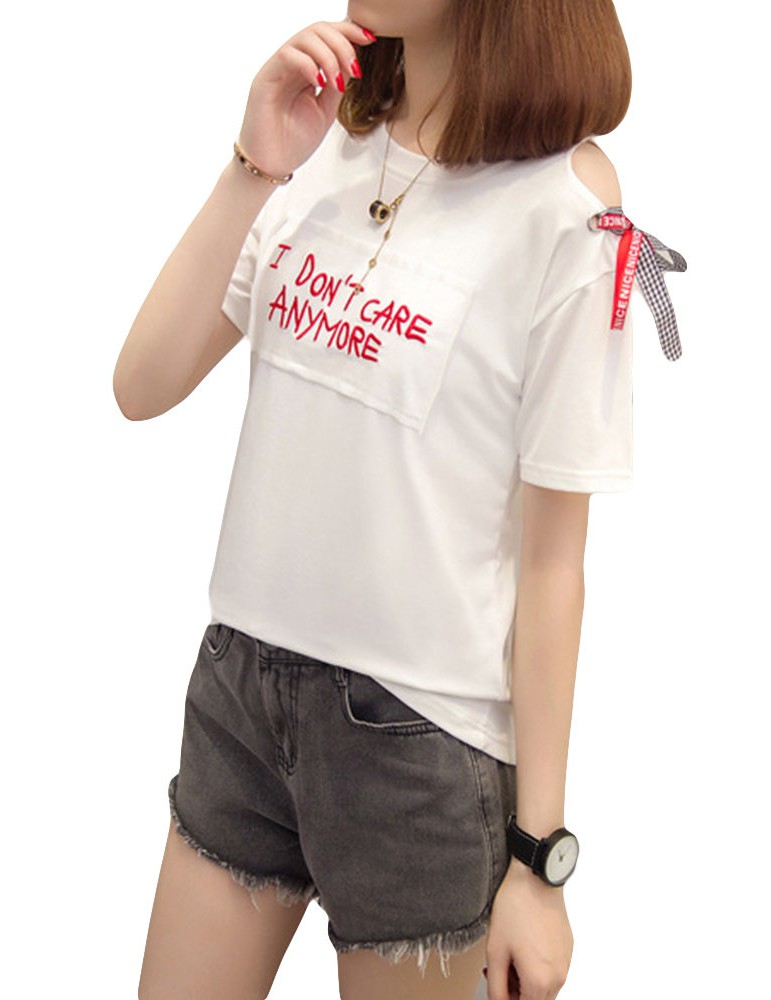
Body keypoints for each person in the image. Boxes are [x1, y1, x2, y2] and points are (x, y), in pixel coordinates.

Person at [114, 3, 685, 999]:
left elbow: (555, 564)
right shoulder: (322, 147)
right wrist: (254, 165)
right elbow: (141, 384)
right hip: (240, 696)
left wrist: (538, 863)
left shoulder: (569, 211)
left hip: (418, 743)